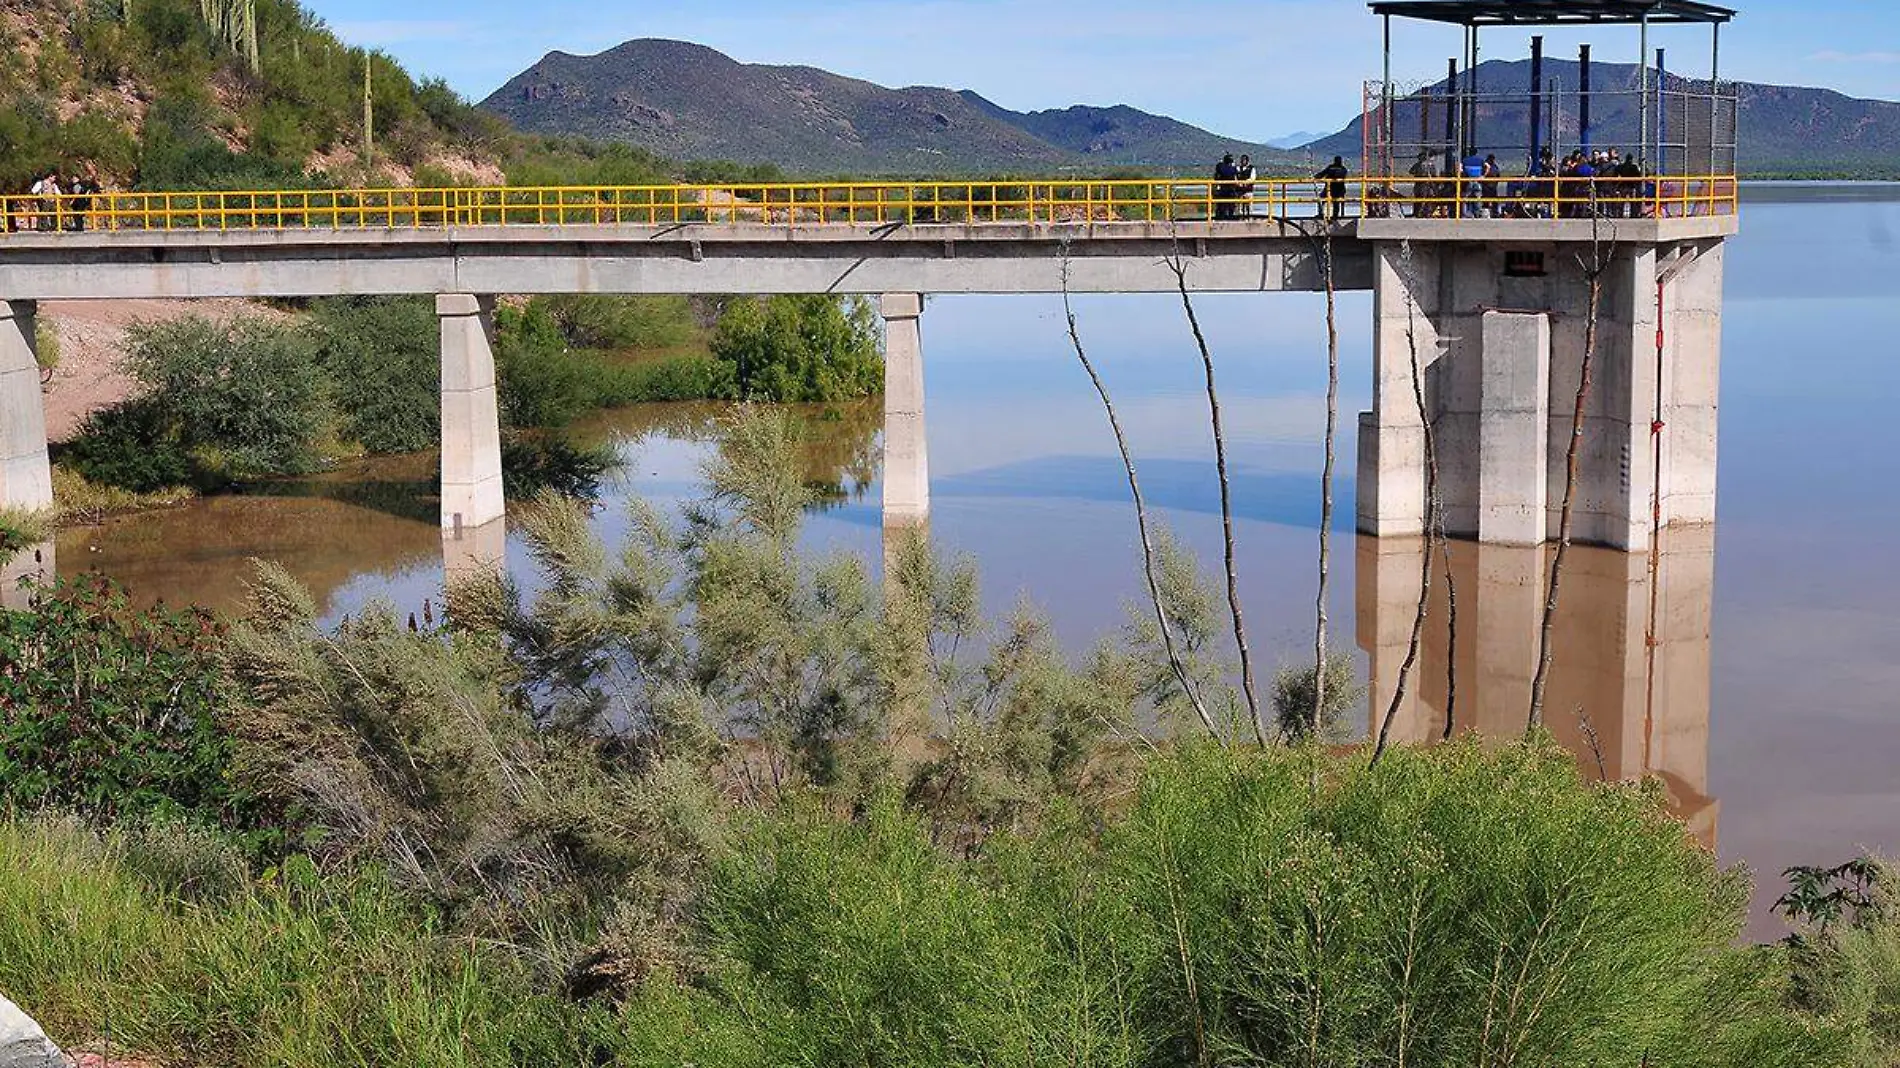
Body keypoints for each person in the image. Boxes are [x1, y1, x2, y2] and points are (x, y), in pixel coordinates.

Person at [1316, 155, 1350, 220]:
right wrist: (1316, 177)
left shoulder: (1340, 169)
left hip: (1338, 189)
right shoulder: (1338, 168)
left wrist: (1319, 176)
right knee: (1322, 200)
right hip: (1330, 188)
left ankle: (1334, 216)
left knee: (1335, 202)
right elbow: (1322, 173)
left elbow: (1338, 175)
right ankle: (1322, 214)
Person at [1615, 151, 1644, 218]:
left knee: (1621, 202)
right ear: (1631, 159)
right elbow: (1638, 176)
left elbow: (1616, 172)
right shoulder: (1633, 167)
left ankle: (1620, 215)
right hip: (1631, 186)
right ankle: (1633, 215)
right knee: (1633, 202)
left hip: (1623, 185)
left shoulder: (1621, 166)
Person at [1213, 152, 1238, 220]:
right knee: (1231, 205)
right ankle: (1230, 217)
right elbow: (1236, 179)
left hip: (1222, 189)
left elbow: (1216, 176)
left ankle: (1220, 217)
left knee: (1221, 205)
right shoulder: (1233, 169)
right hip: (1231, 189)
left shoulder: (1220, 167)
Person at [1234, 153, 1256, 219]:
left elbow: (1252, 178)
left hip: (1248, 191)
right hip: (1239, 191)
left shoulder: (1252, 168)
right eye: (1242, 160)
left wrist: (1245, 183)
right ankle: (1239, 219)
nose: (1242, 161)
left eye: (1244, 160)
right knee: (1239, 207)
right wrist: (1238, 183)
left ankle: (1249, 218)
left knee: (1249, 207)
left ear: (1247, 161)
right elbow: (1235, 177)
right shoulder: (1237, 168)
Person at [1481, 153, 1501, 218]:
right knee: (1493, 200)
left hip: (1487, 186)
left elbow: (1482, 175)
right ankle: (1494, 213)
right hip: (1491, 186)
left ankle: (1490, 213)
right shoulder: (1495, 167)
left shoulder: (1486, 166)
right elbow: (1498, 176)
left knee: (1487, 200)